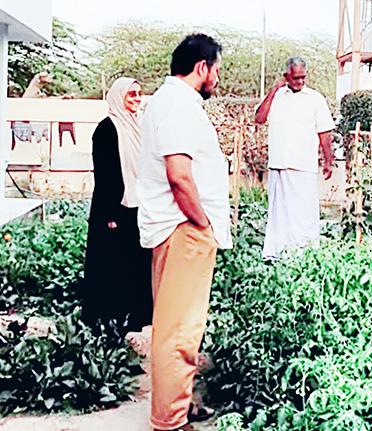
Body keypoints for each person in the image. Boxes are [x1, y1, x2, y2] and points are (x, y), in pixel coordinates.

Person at [136, 34, 231, 431]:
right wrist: (202, 222)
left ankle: (180, 403)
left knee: (178, 326)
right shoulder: (177, 104)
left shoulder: (173, 102)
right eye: (216, 71)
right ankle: (170, 422)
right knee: (179, 330)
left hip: (178, 228)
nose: (217, 80)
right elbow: (179, 175)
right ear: (202, 67)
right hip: (184, 229)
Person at [81, 77, 152, 334]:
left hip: (139, 206)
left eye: (139, 94)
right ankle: (109, 322)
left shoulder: (139, 126)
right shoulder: (107, 129)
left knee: (138, 265)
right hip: (115, 209)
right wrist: (109, 214)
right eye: (131, 94)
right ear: (118, 97)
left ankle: (137, 319)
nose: (137, 99)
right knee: (113, 265)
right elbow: (105, 173)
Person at [255, 56, 335, 260]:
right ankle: (276, 255)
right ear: (286, 77)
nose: (300, 81)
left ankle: (305, 255)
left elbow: (324, 133)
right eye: (296, 78)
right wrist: (273, 90)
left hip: (303, 166)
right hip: (278, 165)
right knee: (279, 215)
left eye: (302, 77)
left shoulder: (315, 98)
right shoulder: (277, 96)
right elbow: (259, 118)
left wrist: (328, 161)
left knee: (304, 215)